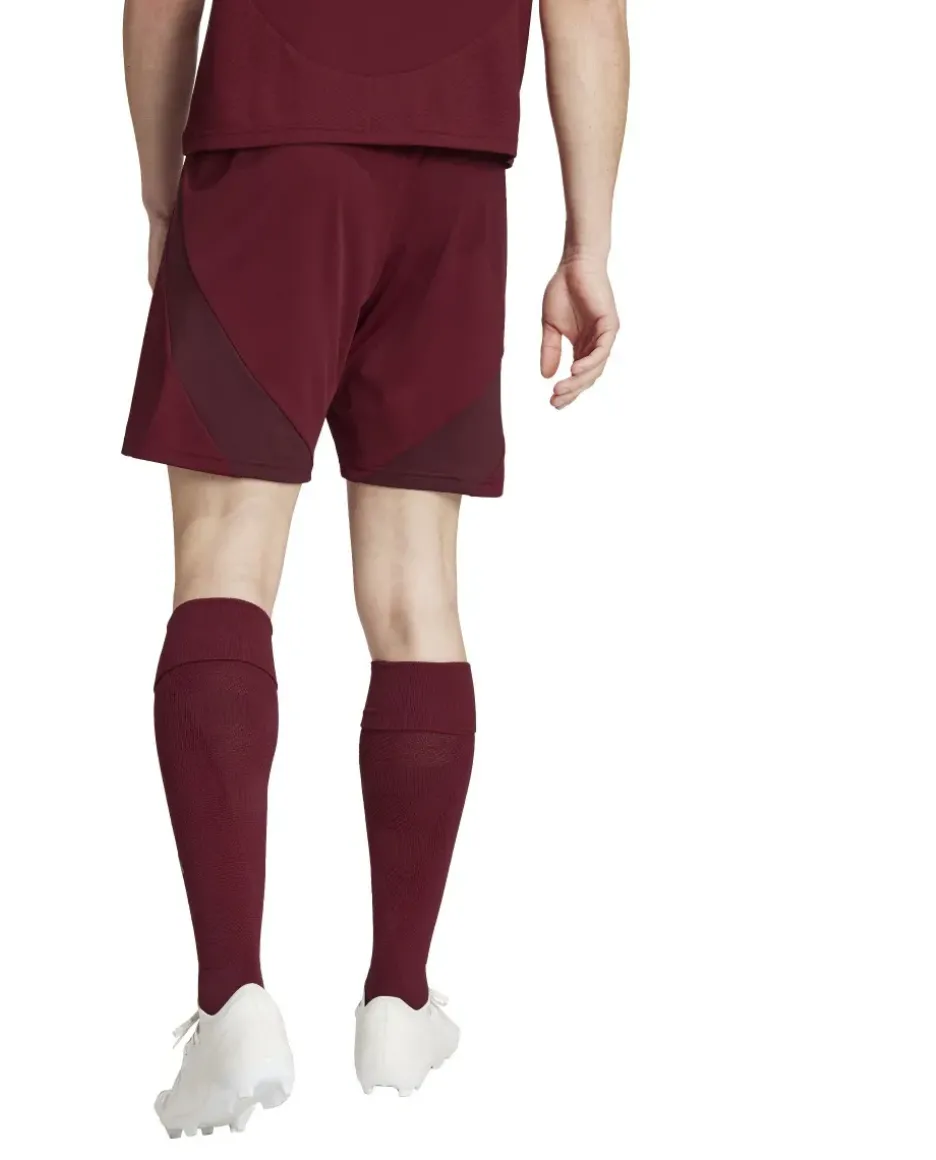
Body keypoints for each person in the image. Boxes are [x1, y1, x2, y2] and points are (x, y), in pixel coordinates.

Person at [121, 0, 629, 1137]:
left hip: (267, 148)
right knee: (415, 592)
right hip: (455, 180)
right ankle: (398, 997)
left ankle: (232, 1000)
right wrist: (585, 245)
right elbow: (588, 11)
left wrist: (160, 192)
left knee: (225, 558)